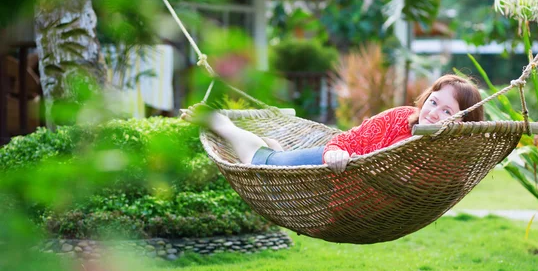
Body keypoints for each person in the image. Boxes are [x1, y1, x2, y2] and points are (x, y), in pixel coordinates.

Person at [180, 74, 484, 173]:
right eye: (433, 101)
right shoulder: (399, 118)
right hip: (333, 165)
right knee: (264, 162)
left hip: (362, 203)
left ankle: (274, 146)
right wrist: (335, 151)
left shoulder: (451, 160)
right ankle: (221, 124)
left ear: (464, 120)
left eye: (447, 111)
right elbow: (351, 139)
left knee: (272, 157)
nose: (433, 112)